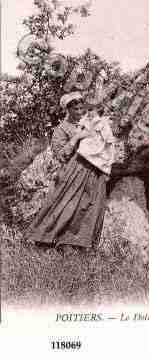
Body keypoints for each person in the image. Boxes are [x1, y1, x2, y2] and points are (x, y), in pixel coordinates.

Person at [26, 92, 113, 256]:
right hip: (73, 171)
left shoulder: (90, 121)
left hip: (95, 170)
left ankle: (78, 243)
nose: (80, 112)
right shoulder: (61, 129)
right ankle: (44, 239)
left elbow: (104, 143)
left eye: (82, 108)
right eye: (76, 109)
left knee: (91, 206)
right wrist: (76, 139)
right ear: (68, 109)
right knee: (66, 206)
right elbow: (60, 155)